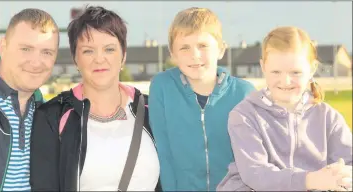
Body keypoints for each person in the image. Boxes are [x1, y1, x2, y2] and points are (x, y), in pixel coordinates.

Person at [29, 6, 161, 191]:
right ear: (75, 59)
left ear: (123, 56)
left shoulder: (154, 109)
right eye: (88, 51)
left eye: (109, 49)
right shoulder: (52, 116)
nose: (99, 59)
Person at [216, 26, 352, 191]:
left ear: (312, 69)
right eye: (276, 72)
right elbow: (256, 174)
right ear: (263, 67)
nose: (285, 81)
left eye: (295, 72)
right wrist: (311, 180)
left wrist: (342, 176)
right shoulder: (244, 116)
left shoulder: (328, 118)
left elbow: (348, 163)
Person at [148, 7, 255, 191]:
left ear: (221, 49)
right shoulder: (162, 87)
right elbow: (164, 154)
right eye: (184, 47)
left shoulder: (244, 93)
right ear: (172, 54)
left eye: (203, 46)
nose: (194, 55)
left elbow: (253, 158)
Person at [0, 9, 59, 191]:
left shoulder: (50, 115)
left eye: (47, 52)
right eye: (26, 49)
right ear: (3, 46)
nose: (36, 62)